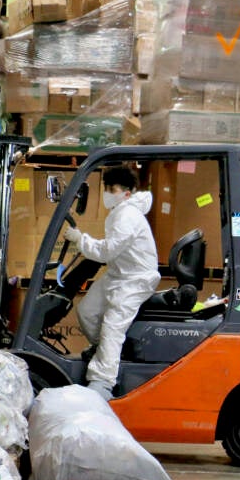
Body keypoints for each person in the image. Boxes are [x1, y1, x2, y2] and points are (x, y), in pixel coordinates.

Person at [63, 166, 160, 401]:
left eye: (112, 189)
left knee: (112, 326)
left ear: (126, 193)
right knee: (87, 311)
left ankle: (103, 382)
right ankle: (106, 351)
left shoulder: (128, 216)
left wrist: (80, 239)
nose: (107, 192)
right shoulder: (120, 211)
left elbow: (108, 250)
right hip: (119, 275)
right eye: (106, 188)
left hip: (136, 279)